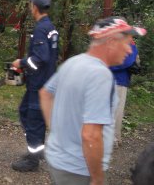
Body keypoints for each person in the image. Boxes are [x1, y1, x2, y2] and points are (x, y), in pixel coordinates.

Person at [40, 17, 146, 185]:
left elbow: (45, 93)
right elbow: (91, 135)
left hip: (57, 161)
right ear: (111, 42)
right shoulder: (100, 75)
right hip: (80, 170)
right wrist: (97, 178)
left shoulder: (73, 62)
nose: (129, 50)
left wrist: (56, 132)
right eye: (127, 43)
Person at [11, 0, 59, 172]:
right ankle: (36, 150)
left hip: (39, 84)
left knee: (34, 120)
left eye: (31, 5)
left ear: (35, 8)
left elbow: (41, 58)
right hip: (45, 80)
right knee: (25, 112)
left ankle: (33, 160)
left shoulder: (40, 29)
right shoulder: (51, 27)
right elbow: (51, 56)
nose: (30, 7)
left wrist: (21, 63)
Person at [110, 40, 139, 145]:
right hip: (105, 79)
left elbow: (127, 61)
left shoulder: (130, 43)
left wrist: (107, 65)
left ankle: (114, 139)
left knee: (116, 110)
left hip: (120, 81)